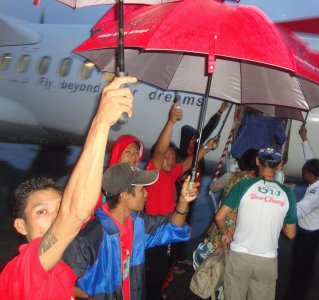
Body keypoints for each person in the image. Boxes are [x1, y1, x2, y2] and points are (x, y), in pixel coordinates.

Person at [0, 76, 137, 299]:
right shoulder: (23, 272)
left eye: (59, 207)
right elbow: (73, 214)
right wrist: (100, 123)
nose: (56, 217)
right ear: (21, 226)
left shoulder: (59, 267)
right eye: (41, 211)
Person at [63, 163, 199, 300]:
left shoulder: (139, 224)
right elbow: (58, 281)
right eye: (142, 189)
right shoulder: (90, 238)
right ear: (124, 195)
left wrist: (183, 201)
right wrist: (91, 296)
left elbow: (173, 228)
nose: (147, 193)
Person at [144, 102, 218, 298]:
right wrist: (170, 122)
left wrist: (207, 148)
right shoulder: (154, 172)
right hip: (156, 232)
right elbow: (160, 151)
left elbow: (187, 163)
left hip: (170, 228)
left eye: (172, 157)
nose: (170, 160)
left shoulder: (170, 173)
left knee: (166, 267)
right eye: (166, 157)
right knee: (155, 271)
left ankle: (158, 291)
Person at [215, 145, 297, 300]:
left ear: (258, 161)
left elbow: (219, 217)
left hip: (239, 256)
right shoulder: (288, 194)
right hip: (266, 260)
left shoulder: (244, 186)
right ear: (279, 165)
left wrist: (226, 232)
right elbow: (290, 233)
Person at [287, 126, 319, 300]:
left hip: (308, 235)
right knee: (304, 266)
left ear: (310, 176)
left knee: (301, 268)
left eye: (304, 171)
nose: (302, 173)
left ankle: (296, 296)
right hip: (314, 230)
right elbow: (311, 157)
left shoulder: (315, 195)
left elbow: (295, 212)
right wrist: (304, 138)